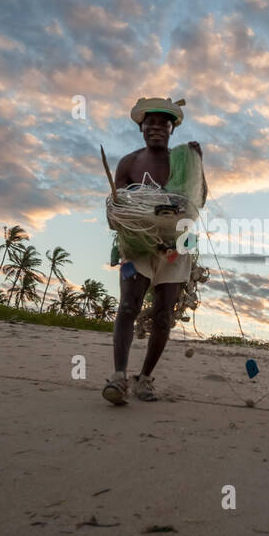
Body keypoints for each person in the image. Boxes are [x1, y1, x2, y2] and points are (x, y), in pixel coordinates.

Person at [103, 97, 207, 405]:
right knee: (127, 306)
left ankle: (144, 379)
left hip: (176, 248)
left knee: (164, 315)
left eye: (164, 122)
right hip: (135, 248)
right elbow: (115, 213)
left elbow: (199, 201)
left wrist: (198, 166)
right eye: (151, 122)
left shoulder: (183, 160)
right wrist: (135, 217)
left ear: (172, 128)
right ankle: (119, 376)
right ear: (141, 128)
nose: (157, 127)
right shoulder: (129, 163)